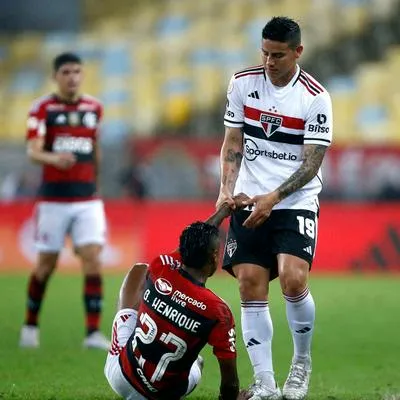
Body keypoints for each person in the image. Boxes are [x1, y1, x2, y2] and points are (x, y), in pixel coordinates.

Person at [217, 17, 333, 400]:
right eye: (265, 53)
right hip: (250, 197)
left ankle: (301, 364)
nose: (269, 61)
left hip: (294, 201)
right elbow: (233, 138)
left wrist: (274, 198)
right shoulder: (242, 83)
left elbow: (311, 164)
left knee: (293, 278)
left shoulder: (315, 97)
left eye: (278, 55)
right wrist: (226, 188)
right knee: (249, 282)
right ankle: (265, 381)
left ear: (298, 52)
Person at [104, 196, 250, 400]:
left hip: (120, 375)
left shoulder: (161, 266)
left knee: (139, 270)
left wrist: (223, 211)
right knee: (197, 362)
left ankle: (128, 334)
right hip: (160, 395)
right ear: (215, 257)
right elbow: (230, 381)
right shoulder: (218, 311)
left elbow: (191, 244)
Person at [19, 52, 110, 350]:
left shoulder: (94, 108)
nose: (72, 77)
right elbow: (33, 151)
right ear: (55, 76)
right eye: (66, 72)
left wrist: (97, 184)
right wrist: (54, 158)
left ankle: (93, 333)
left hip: (87, 200)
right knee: (46, 265)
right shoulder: (43, 109)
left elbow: (94, 147)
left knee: (93, 260)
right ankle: (30, 327)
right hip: (53, 201)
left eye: (76, 72)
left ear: (82, 74)